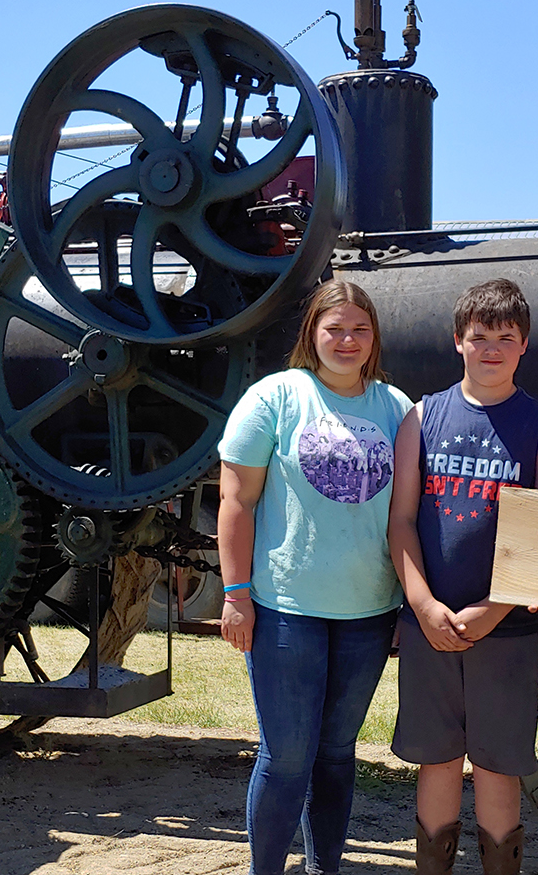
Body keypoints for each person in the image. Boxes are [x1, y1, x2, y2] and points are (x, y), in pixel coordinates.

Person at [218, 278, 413, 875]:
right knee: (287, 758)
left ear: (374, 337)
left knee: (336, 754)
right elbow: (236, 501)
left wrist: (407, 601)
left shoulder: (397, 409)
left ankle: (325, 867)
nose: (347, 340)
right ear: (313, 333)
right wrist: (235, 595)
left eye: (359, 329)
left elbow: (409, 516)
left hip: (368, 614)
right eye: (335, 329)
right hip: (284, 611)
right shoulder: (274, 397)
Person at [387, 278, 538, 875]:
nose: (491, 348)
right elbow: (403, 522)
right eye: (479, 336)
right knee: (436, 762)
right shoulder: (421, 417)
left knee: (496, 766)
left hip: (507, 630)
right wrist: (422, 605)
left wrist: (493, 609)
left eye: (505, 338)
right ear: (457, 341)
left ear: (524, 347)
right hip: (429, 628)